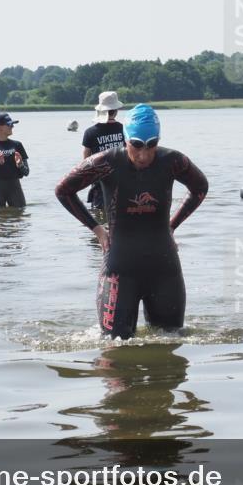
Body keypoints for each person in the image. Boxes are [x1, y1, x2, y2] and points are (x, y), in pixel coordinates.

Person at [55, 104, 208, 339]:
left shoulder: (173, 161)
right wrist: (97, 229)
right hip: (120, 267)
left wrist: (172, 225)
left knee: (171, 344)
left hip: (164, 266)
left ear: (158, 140)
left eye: (151, 145)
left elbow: (200, 188)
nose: (144, 155)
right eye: (136, 145)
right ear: (126, 139)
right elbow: (63, 190)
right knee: (115, 346)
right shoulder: (105, 162)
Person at [81, 91, 127, 211]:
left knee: (99, 211)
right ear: (116, 110)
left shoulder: (90, 132)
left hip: (99, 180)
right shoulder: (125, 129)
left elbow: (86, 159)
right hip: (122, 179)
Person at [0, 112, 29, 207]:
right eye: (9, 125)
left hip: (14, 186)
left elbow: (26, 172)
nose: (12, 127)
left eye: (12, 124)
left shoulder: (17, 145)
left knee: (20, 213)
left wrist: (20, 165)